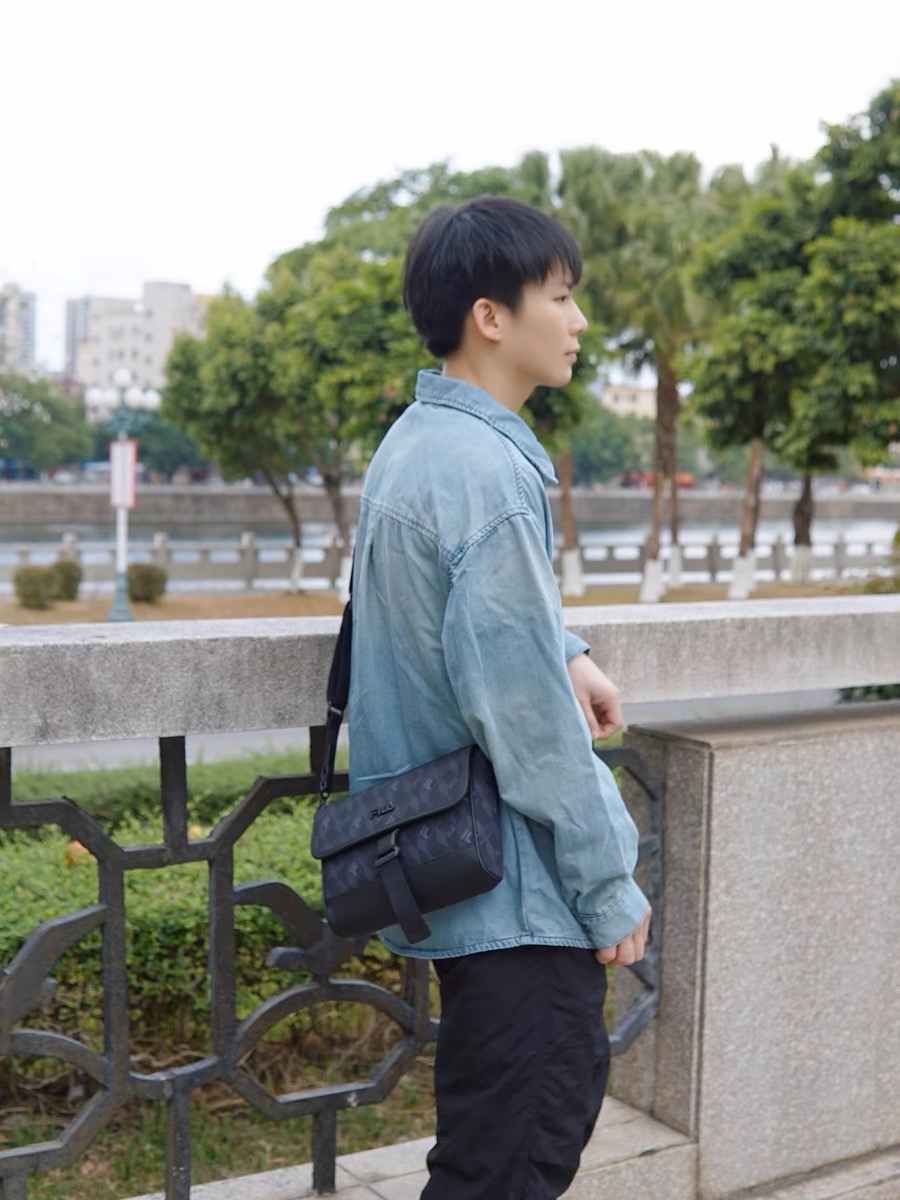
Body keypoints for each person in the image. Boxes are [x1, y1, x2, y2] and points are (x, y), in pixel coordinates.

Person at [347, 195, 651, 1199]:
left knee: (493, 1149)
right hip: (515, 890)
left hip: (448, 864)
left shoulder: (419, 441)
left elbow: (462, 616)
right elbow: (529, 728)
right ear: (491, 316)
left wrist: (561, 647)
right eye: (558, 297)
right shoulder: (486, 472)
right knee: (514, 1158)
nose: (577, 321)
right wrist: (608, 883)